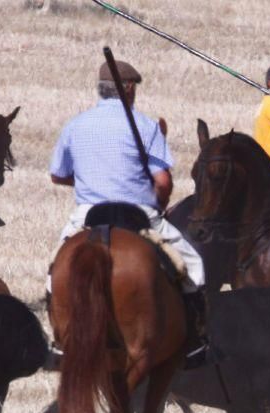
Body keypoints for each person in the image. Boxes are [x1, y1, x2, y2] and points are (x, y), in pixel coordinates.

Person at [48, 59, 208, 366]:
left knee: (54, 271)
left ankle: (59, 340)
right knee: (195, 268)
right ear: (129, 88)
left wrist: (85, 180)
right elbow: (162, 181)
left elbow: (57, 175)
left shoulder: (76, 125)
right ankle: (195, 343)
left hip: (88, 215)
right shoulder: (145, 126)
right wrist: (158, 202)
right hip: (138, 214)